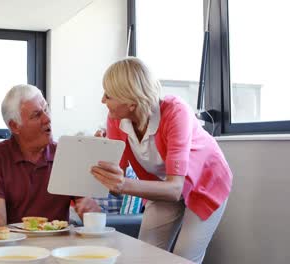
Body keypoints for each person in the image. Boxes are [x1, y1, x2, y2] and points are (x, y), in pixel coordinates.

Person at [90, 57, 233, 263]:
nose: (103, 100)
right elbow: (116, 181)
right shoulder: (115, 120)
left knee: (184, 257)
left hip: (206, 184)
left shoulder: (176, 112)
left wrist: (122, 184)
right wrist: (100, 161)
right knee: (146, 255)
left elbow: (175, 189)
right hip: (162, 187)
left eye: (108, 95)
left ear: (131, 101)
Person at [0, 84, 101, 226]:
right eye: (37, 115)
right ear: (14, 126)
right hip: (16, 244)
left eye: (46, 109)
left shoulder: (66, 154)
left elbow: (91, 217)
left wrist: (91, 212)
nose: (47, 119)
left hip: (59, 245)